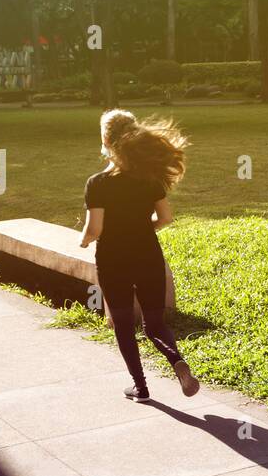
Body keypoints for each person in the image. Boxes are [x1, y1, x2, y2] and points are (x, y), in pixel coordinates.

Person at [79, 109, 200, 402]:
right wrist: (144, 227)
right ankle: (177, 361)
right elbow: (166, 217)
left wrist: (84, 241)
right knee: (155, 324)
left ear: (106, 139)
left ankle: (140, 387)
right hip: (148, 254)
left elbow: (95, 229)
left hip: (113, 259)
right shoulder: (149, 179)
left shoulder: (98, 183)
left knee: (122, 323)